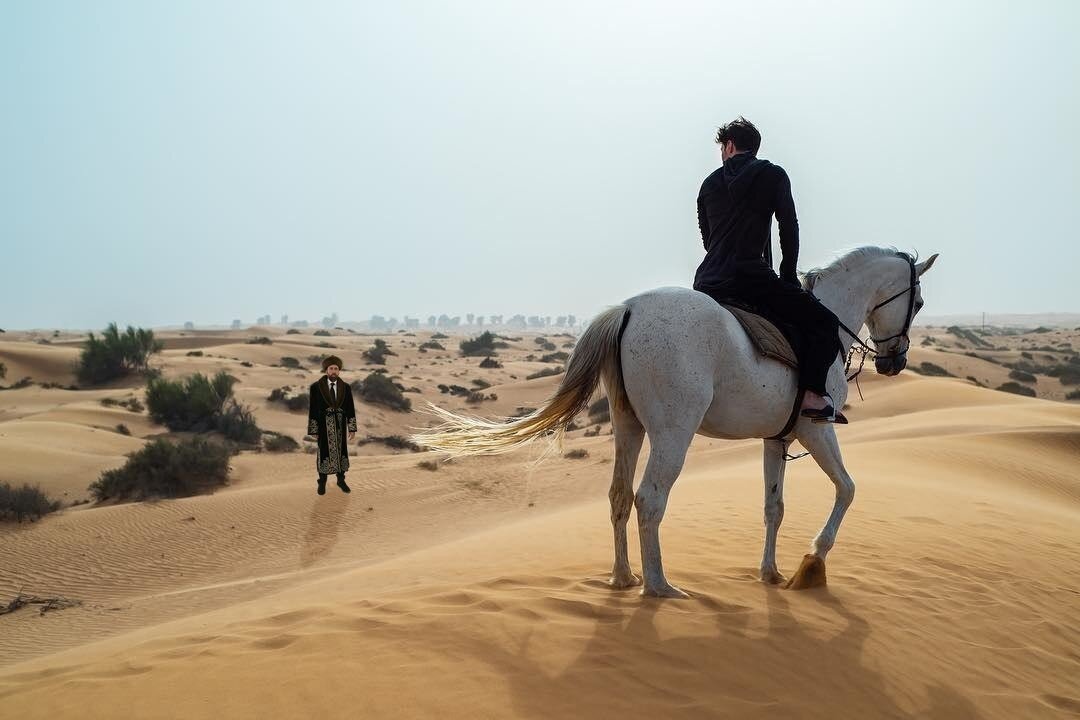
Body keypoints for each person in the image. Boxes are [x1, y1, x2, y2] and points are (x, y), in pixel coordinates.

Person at [692, 117, 844, 421]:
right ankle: (813, 396)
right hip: (751, 280)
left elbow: (709, 241)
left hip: (706, 283)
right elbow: (789, 227)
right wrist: (787, 276)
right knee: (825, 325)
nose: (722, 153)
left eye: (722, 147)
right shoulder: (772, 175)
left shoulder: (708, 184)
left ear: (730, 146)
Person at [308, 355, 357, 494]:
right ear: (326, 370)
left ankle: (341, 481)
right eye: (331, 368)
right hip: (323, 426)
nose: (334, 371)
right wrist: (314, 429)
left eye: (336, 368)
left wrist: (351, 427)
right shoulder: (316, 387)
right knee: (323, 453)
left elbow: (350, 408)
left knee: (341, 453)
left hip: (340, 425)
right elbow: (312, 409)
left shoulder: (346, 388)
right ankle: (322, 482)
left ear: (339, 371)